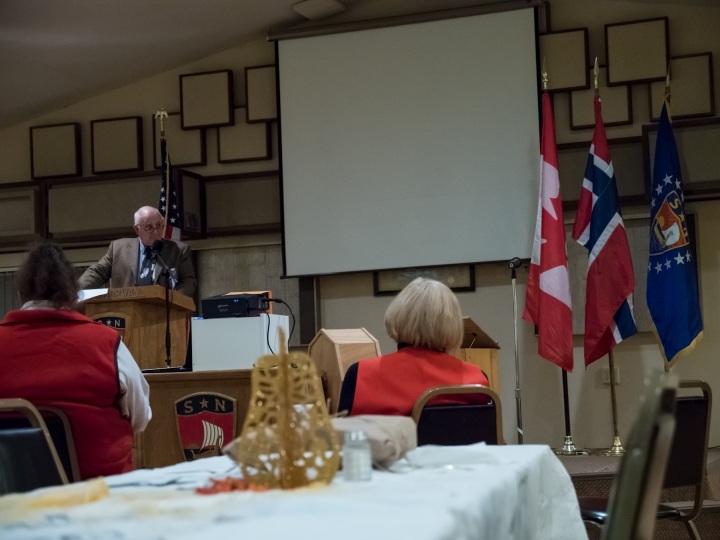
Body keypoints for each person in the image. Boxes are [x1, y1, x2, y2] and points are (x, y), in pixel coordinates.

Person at [0, 240, 151, 480]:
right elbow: (141, 417)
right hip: (99, 496)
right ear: (72, 295)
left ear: (20, 295)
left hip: (11, 498)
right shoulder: (107, 343)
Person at [338, 277, 489, 416]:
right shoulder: (476, 380)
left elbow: (340, 441)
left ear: (397, 315)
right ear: (453, 324)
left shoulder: (360, 375)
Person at [78, 206, 197, 297]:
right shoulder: (118, 248)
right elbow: (98, 272)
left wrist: (171, 300)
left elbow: (189, 281)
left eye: (159, 225)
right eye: (149, 227)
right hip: (125, 315)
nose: (156, 232)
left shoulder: (178, 250)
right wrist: (74, 290)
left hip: (163, 317)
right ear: (137, 229)